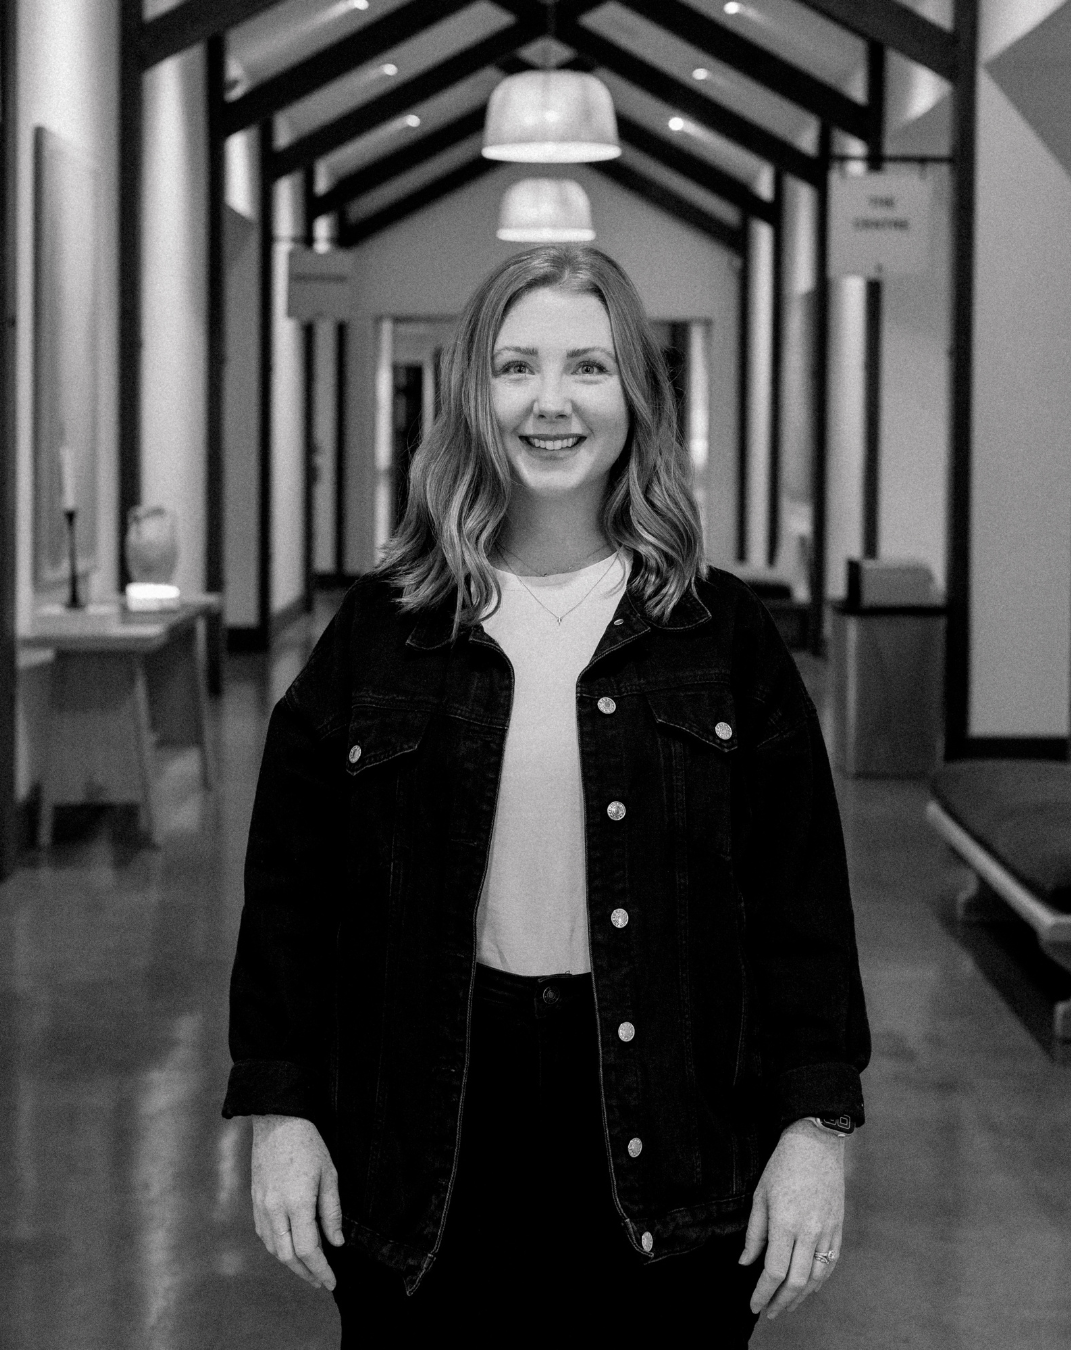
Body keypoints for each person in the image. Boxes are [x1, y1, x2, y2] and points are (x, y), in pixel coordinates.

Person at [222, 244, 870, 1344]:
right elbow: (292, 892)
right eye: (517, 367)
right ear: (475, 395)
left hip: (669, 1127)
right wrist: (280, 1112)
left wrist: (815, 1131)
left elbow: (800, 905)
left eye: (589, 367)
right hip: (428, 1126)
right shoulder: (385, 630)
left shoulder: (722, 637)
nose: (551, 402)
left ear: (637, 397)